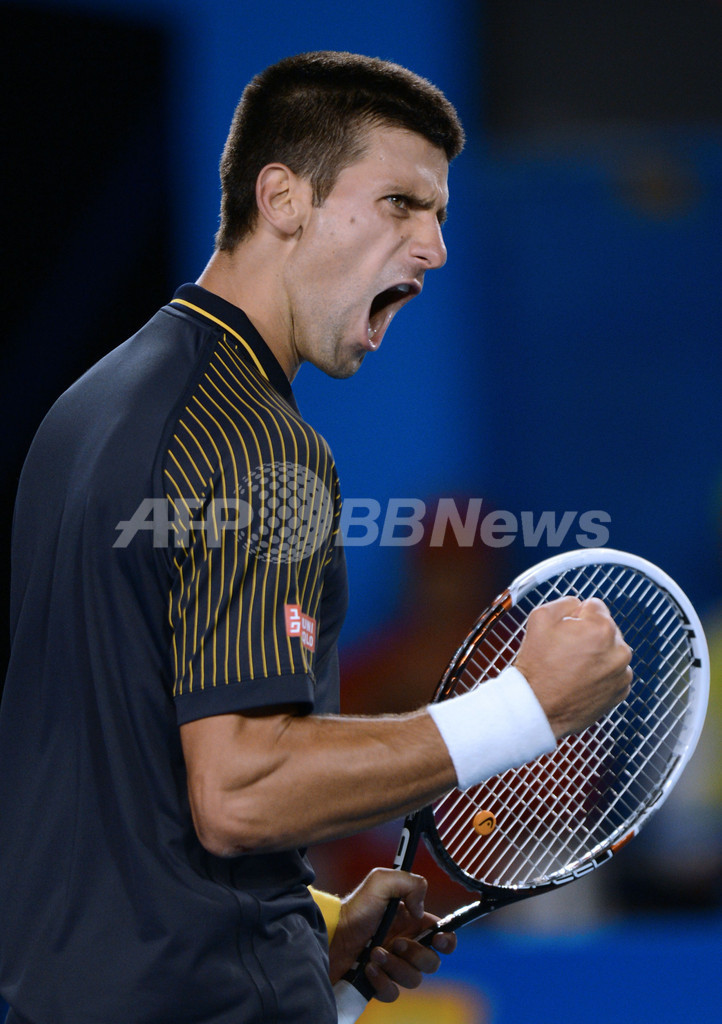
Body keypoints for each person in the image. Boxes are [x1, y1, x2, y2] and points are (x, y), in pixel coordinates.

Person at [0, 51, 632, 1024]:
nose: (434, 249)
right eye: (398, 204)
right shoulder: (259, 445)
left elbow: (119, 786)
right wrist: (525, 708)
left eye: (439, 216)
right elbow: (241, 793)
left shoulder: (86, 411)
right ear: (282, 198)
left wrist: (304, 935)